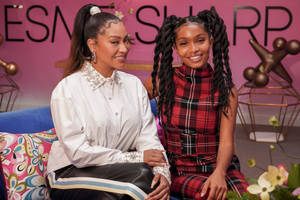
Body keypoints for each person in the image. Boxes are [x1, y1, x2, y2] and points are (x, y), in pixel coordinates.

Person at [46, 4, 170, 200]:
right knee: (138, 182)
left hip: (118, 170)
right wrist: (137, 157)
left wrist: (162, 173)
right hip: (68, 173)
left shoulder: (134, 85)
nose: (124, 48)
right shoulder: (68, 89)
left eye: (126, 41)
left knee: (148, 180)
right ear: (92, 44)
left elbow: (147, 137)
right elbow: (78, 152)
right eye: (115, 42)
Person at [144, 7, 248, 200]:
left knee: (247, 197)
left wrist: (219, 173)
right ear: (175, 48)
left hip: (219, 166)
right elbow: (134, 118)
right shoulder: (161, 81)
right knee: (212, 196)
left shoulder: (226, 88)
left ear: (211, 40)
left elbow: (226, 142)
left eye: (200, 40)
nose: (194, 49)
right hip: (179, 170)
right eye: (184, 43)